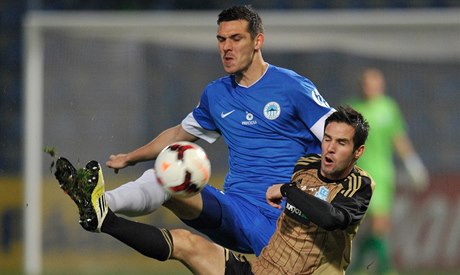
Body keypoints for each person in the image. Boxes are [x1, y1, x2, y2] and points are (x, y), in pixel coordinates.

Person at [103, 5, 334, 255]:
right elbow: (178, 135)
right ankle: (101, 205)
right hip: (235, 211)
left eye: (236, 39)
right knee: (166, 176)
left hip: (286, 221)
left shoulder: (293, 87)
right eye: (221, 40)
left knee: (188, 247)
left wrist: (335, 194)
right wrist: (130, 158)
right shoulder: (217, 95)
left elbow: (340, 139)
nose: (227, 47)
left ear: (258, 41)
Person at [54, 106, 374, 275]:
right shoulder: (305, 163)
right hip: (258, 269)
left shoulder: (360, 185)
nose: (330, 148)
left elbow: (333, 218)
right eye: (327, 138)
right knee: (185, 243)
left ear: (357, 152)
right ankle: (103, 217)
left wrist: (290, 192)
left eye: (341, 143)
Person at [348, 68, 429, 274]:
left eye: (374, 84)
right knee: (363, 227)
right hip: (357, 175)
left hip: (383, 175)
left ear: (381, 86)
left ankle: (365, 269)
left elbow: (398, 138)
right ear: (361, 86)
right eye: (366, 83)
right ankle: (380, 269)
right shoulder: (351, 109)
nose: (370, 88)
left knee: (379, 226)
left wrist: (412, 164)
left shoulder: (388, 108)